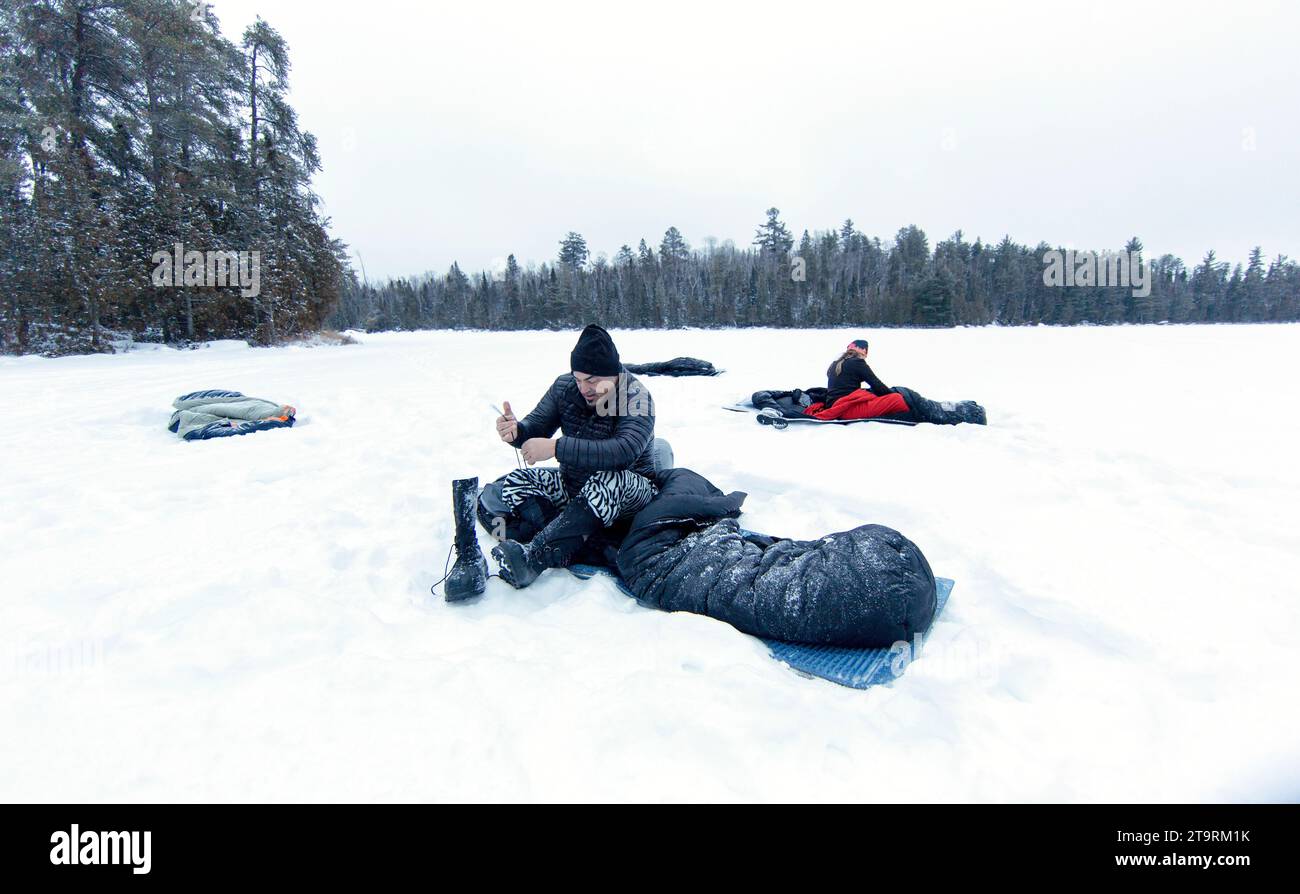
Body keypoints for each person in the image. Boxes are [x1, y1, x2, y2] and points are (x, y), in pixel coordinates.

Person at [488, 325, 658, 589]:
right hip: (575, 487)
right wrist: (516, 432)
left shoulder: (637, 397)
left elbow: (624, 452)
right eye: (578, 379)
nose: (584, 389)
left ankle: (533, 558)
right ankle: (564, 538)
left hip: (630, 495)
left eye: (591, 380)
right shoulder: (564, 388)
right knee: (516, 481)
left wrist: (556, 448)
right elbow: (535, 428)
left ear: (612, 373)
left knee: (608, 480)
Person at [824, 338, 892, 409]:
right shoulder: (857, 362)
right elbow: (876, 384)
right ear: (864, 350)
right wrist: (892, 394)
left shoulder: (835, 363)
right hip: (845, 407)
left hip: (831, 404)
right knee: (896, 399)